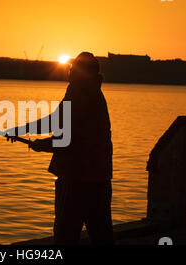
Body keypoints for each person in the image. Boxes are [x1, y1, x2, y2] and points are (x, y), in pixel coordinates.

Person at [7, 52, 114, 245]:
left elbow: (69, 140)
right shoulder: (91, 92)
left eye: (74, 69)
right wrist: (20, 130)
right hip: (99, 178)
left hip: (77, 179)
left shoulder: (80, 94)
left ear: (83, 72)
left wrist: (40, 144)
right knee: (101, 235)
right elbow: (57, 123)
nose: (70, 71)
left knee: (66, 235)